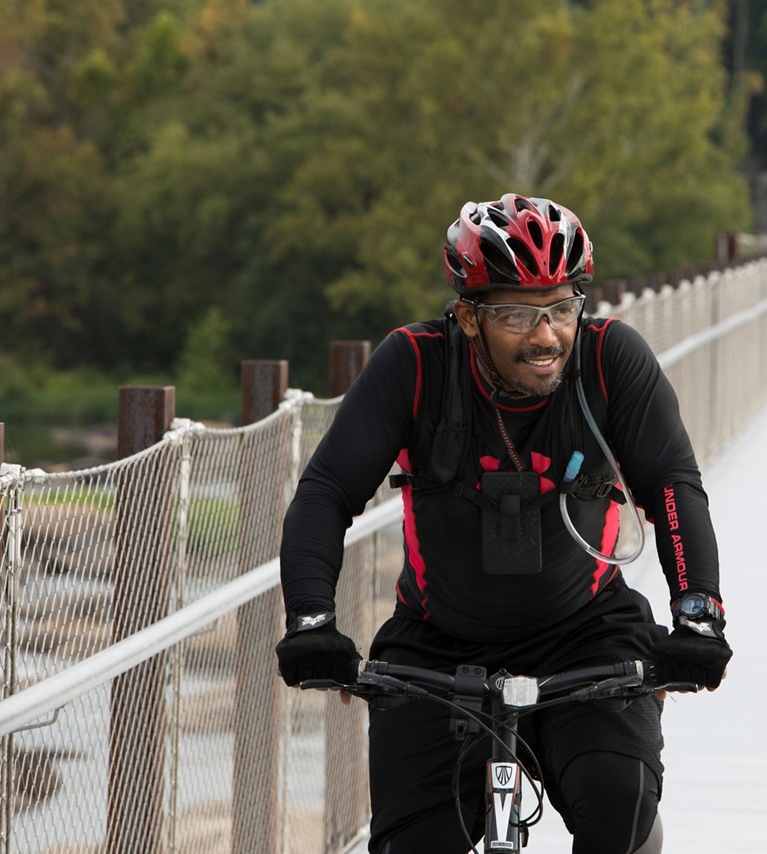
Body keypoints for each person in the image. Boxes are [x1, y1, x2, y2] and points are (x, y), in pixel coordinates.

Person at [274, 193, 732, 853]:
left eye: (562, 308)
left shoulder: (610, 360)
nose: (546, 336)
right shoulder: (414, 364)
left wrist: (698, 614)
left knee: (619, 806)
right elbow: (325, 491)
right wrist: (312, 621)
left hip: (588, 635)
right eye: (517, 314)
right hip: (438, 645)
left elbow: (673, 488)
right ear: (467, 317)